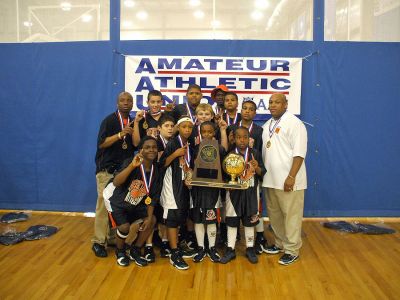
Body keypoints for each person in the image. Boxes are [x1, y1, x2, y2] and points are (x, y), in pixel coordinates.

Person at [261, 93, 307, 266]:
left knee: (291, 217)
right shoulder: (267, 125)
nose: (273, 105)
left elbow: (299, 153)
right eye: (270, 102)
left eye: (277, 102)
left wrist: (291, 176)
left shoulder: (295, 124)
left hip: (289, 181)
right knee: (275, 216)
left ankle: (292, 250)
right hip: (270, 180)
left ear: (286, 104)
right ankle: (280, 244)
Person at [103, 136, 159, 266]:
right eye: (147, 147)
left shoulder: (157, 170)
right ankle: (120, 251)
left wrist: (149, 217)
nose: (151, 150)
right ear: (141, 151)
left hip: (135, 201)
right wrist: (131, 166)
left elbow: (153, 197)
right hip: (115, 199)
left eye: (154, 147)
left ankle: (135, 249)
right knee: (124, 226)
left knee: (152, 220)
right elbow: (117, 182)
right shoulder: (131, 162)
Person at [92, 92, 135, 258]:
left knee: (117, 206)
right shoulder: (109, 120)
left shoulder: (133, 122)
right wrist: (120, 135)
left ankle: (110, 238)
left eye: (128, 100)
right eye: (122, 100)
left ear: (132, 103)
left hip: (122, 172)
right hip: (106, 171)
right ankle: (97, 242)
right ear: (117, 103)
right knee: (103, 205)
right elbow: (102, 143)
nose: (125, 103)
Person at [220, 127, 266, 264]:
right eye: (239, 137)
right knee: (232, 222)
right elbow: (224, 176)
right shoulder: (229, 154)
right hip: (234, 194)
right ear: (234, 138)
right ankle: (230, 249)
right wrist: (230, 182)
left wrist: (256, 167)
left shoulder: (255, 153)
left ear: (249, 138)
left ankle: (250, 248)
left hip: (251, 192)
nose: (242, 140)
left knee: (249, 222)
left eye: (245, 137)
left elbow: (262, 172)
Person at [159, 116, 194, 270]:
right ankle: (173, 253)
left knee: (180, 215)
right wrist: (175, 154)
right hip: (171, 184)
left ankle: (176, 247)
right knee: (172, 217)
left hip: (183, 183)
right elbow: (162, 163)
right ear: (178, 128)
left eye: (190, 127)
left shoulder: (189, 144)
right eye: (184, 127)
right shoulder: (173, 143)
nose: (187, 129)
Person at [189, 121, 227, 263]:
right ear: (200, 133)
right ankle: (200, 248)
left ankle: (211, 247)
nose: (206, 134)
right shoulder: (196, 148)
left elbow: (224, 167)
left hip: (213, 189)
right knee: (198, 219)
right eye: (203, 132)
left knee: (211, 218)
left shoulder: (220, 149)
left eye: (209, 132)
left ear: (214, 133)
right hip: (198, 189)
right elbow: (192, 167)